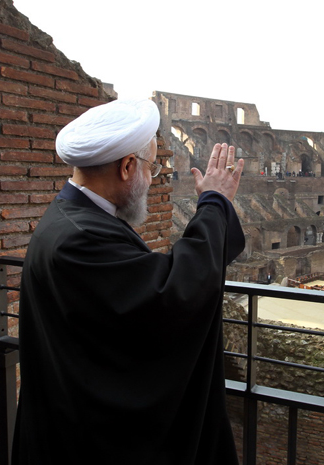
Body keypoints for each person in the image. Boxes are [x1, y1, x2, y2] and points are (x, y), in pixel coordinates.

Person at [13, 99, 245, 465]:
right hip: (88, 441)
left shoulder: (72, 217)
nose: (154, 179)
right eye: (153, 166)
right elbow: (173, 294)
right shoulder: (79, 239)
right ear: (127, 167)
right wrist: (214, 203)